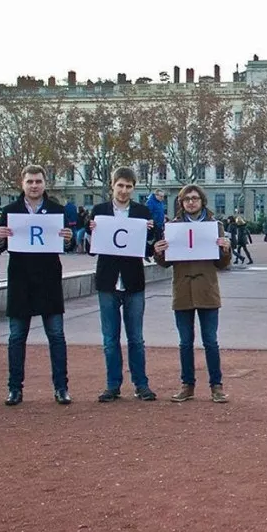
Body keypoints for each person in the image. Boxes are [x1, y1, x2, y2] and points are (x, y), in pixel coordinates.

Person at [0, 164, 74, 406]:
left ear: (44, 184)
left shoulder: (57, 210)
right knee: (16, 337)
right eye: (30, 181)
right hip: (20, 280)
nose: (34, 185)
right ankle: (14, 389)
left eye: (38, 181)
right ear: (23, 184)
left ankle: (61, 388)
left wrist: (68, 241)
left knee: (57, 336)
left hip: (49, 279)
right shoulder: (10, 211)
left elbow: (66, 246)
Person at [154, 185, 233, 403]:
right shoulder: (172, 227)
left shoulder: (215, 226)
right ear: (181, 203)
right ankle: (187, 385)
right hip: (183, 291)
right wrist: (159, 252)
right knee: (185, 342)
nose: (191, 202)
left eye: (195, 198)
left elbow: (223, 264)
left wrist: (226, 249)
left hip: (207, 290)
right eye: (187, 199)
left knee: (210, 341)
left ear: (202, 201)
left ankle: (216, 386)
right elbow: (164, 263)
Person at [88, 167, 158, 403]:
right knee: (110, 338)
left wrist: (149, 234)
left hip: (133, 281)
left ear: (133, 188)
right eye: (120, 185)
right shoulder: (99, 211)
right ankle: (112, 384)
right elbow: (91, 250)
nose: (124, 190)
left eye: (129, 186)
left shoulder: (142, 211)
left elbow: (149, 250)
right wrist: (91, 234)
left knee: (136, 338)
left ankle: (141, 384)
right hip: (108, 281)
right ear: (112, 185)